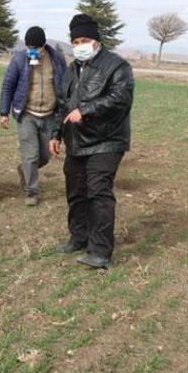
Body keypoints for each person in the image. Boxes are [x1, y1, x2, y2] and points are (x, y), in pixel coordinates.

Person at [50, 13, 135, 269]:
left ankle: (100, 252)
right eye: (75, 41)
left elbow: (121, 98)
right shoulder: (71, 68)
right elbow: (62, 104)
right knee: (76, 192)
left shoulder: (117, 66)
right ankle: (79, 237)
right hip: (76, 141)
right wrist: (56, 134)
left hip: (106, 141)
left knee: (98, 192)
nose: (79, 46)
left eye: (85, 39)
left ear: (97, 41)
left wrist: (86, 110)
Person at [0, 26, 67, 206]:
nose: (32, 51)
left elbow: (65, 86)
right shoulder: (20, 59)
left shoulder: (57, 60)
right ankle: (31, 192)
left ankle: (25, 170)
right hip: (27, 114)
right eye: (29, 47)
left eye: (35, 48)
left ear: (43, 46)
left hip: (50, 114)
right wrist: (4, 112)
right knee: (30, 155)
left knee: (44, 156)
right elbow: (8, 85)